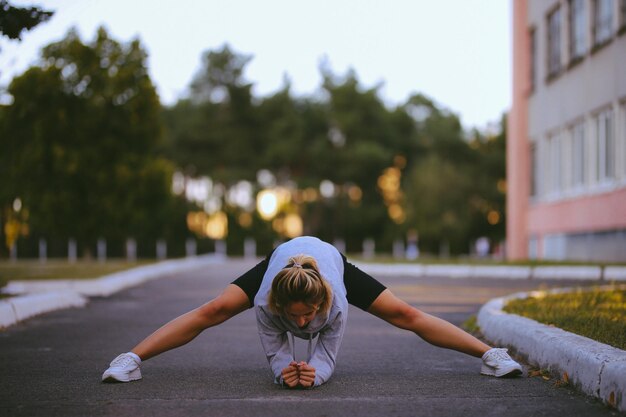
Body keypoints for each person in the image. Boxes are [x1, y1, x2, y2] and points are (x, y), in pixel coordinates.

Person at [102, 236, 522, 387]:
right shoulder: (268, 300)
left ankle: (490, 355)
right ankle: (131, 358)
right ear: (278, 304)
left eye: (309, 316)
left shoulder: (335, 299)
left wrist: (313, 373)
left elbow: (326, 356)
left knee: (406, 315)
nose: (302, 324)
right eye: (295, 316)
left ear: (321, 303)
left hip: (327, 260)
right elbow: (276, 353)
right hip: (281, 261)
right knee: (213, 309)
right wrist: (286, 372)